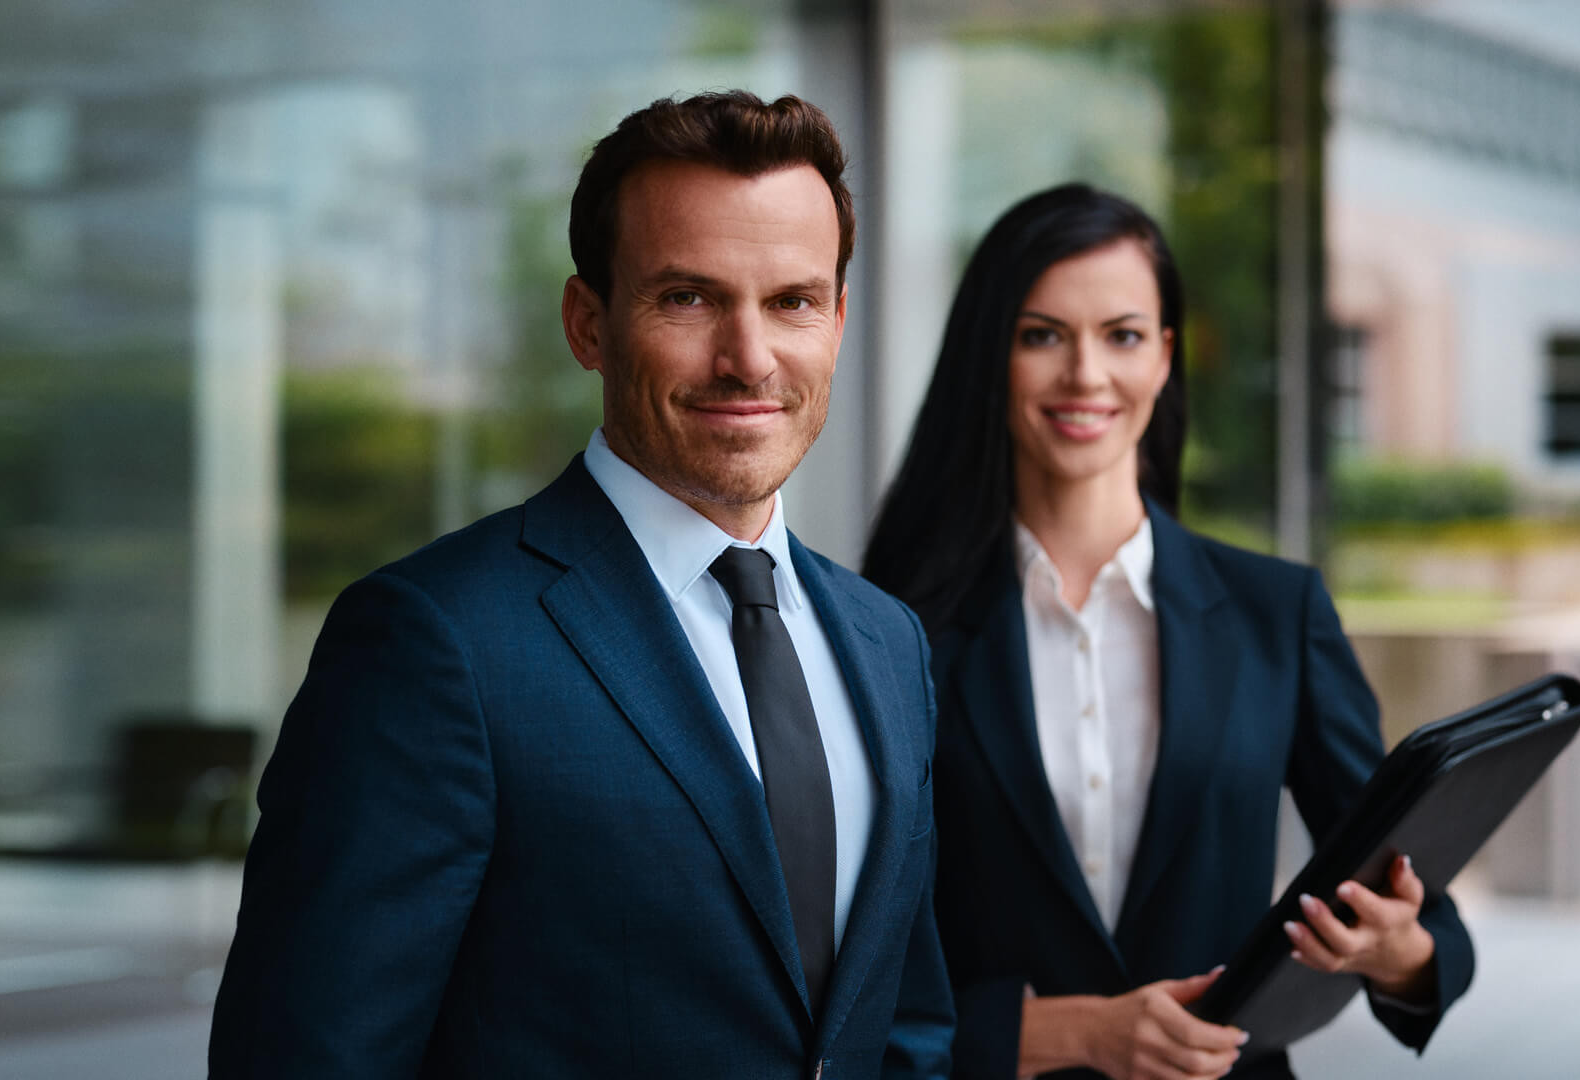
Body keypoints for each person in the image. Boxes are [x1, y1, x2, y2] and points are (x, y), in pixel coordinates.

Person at [210, 91, 953, 1079]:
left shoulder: (886, 642)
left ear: (838, 319)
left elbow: (904, 1026)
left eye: (791, 301)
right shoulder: (435, 643)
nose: (749, 357)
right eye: (687, 297)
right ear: (588, 323)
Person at [862, 184, 1472, 1080]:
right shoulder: (892, 629)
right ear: (990, 356)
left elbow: (1423, 922)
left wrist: (1399, 951)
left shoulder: (1278, 615)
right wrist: (1068, 1034)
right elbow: (851, 964)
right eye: (1041, 335)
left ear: (1165, 358)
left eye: (1123, 334)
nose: (1085, 374)